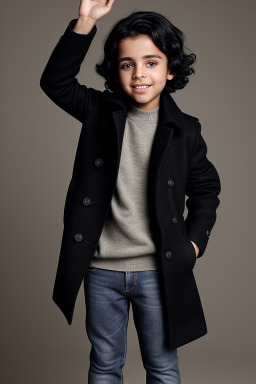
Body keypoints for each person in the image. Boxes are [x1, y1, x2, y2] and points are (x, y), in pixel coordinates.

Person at [40, 1, 221, 383]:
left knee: (162, 366)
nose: (139, 74)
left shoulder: (186, 130)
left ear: (171, 70)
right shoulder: (98, 111)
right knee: (105, 366)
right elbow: (55, 83)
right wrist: (85, 22)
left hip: (160, 271)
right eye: (127, 64)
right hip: (101, 269)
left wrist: (194, 244)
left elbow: (206, 189)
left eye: (151, 62)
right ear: (115, 71)